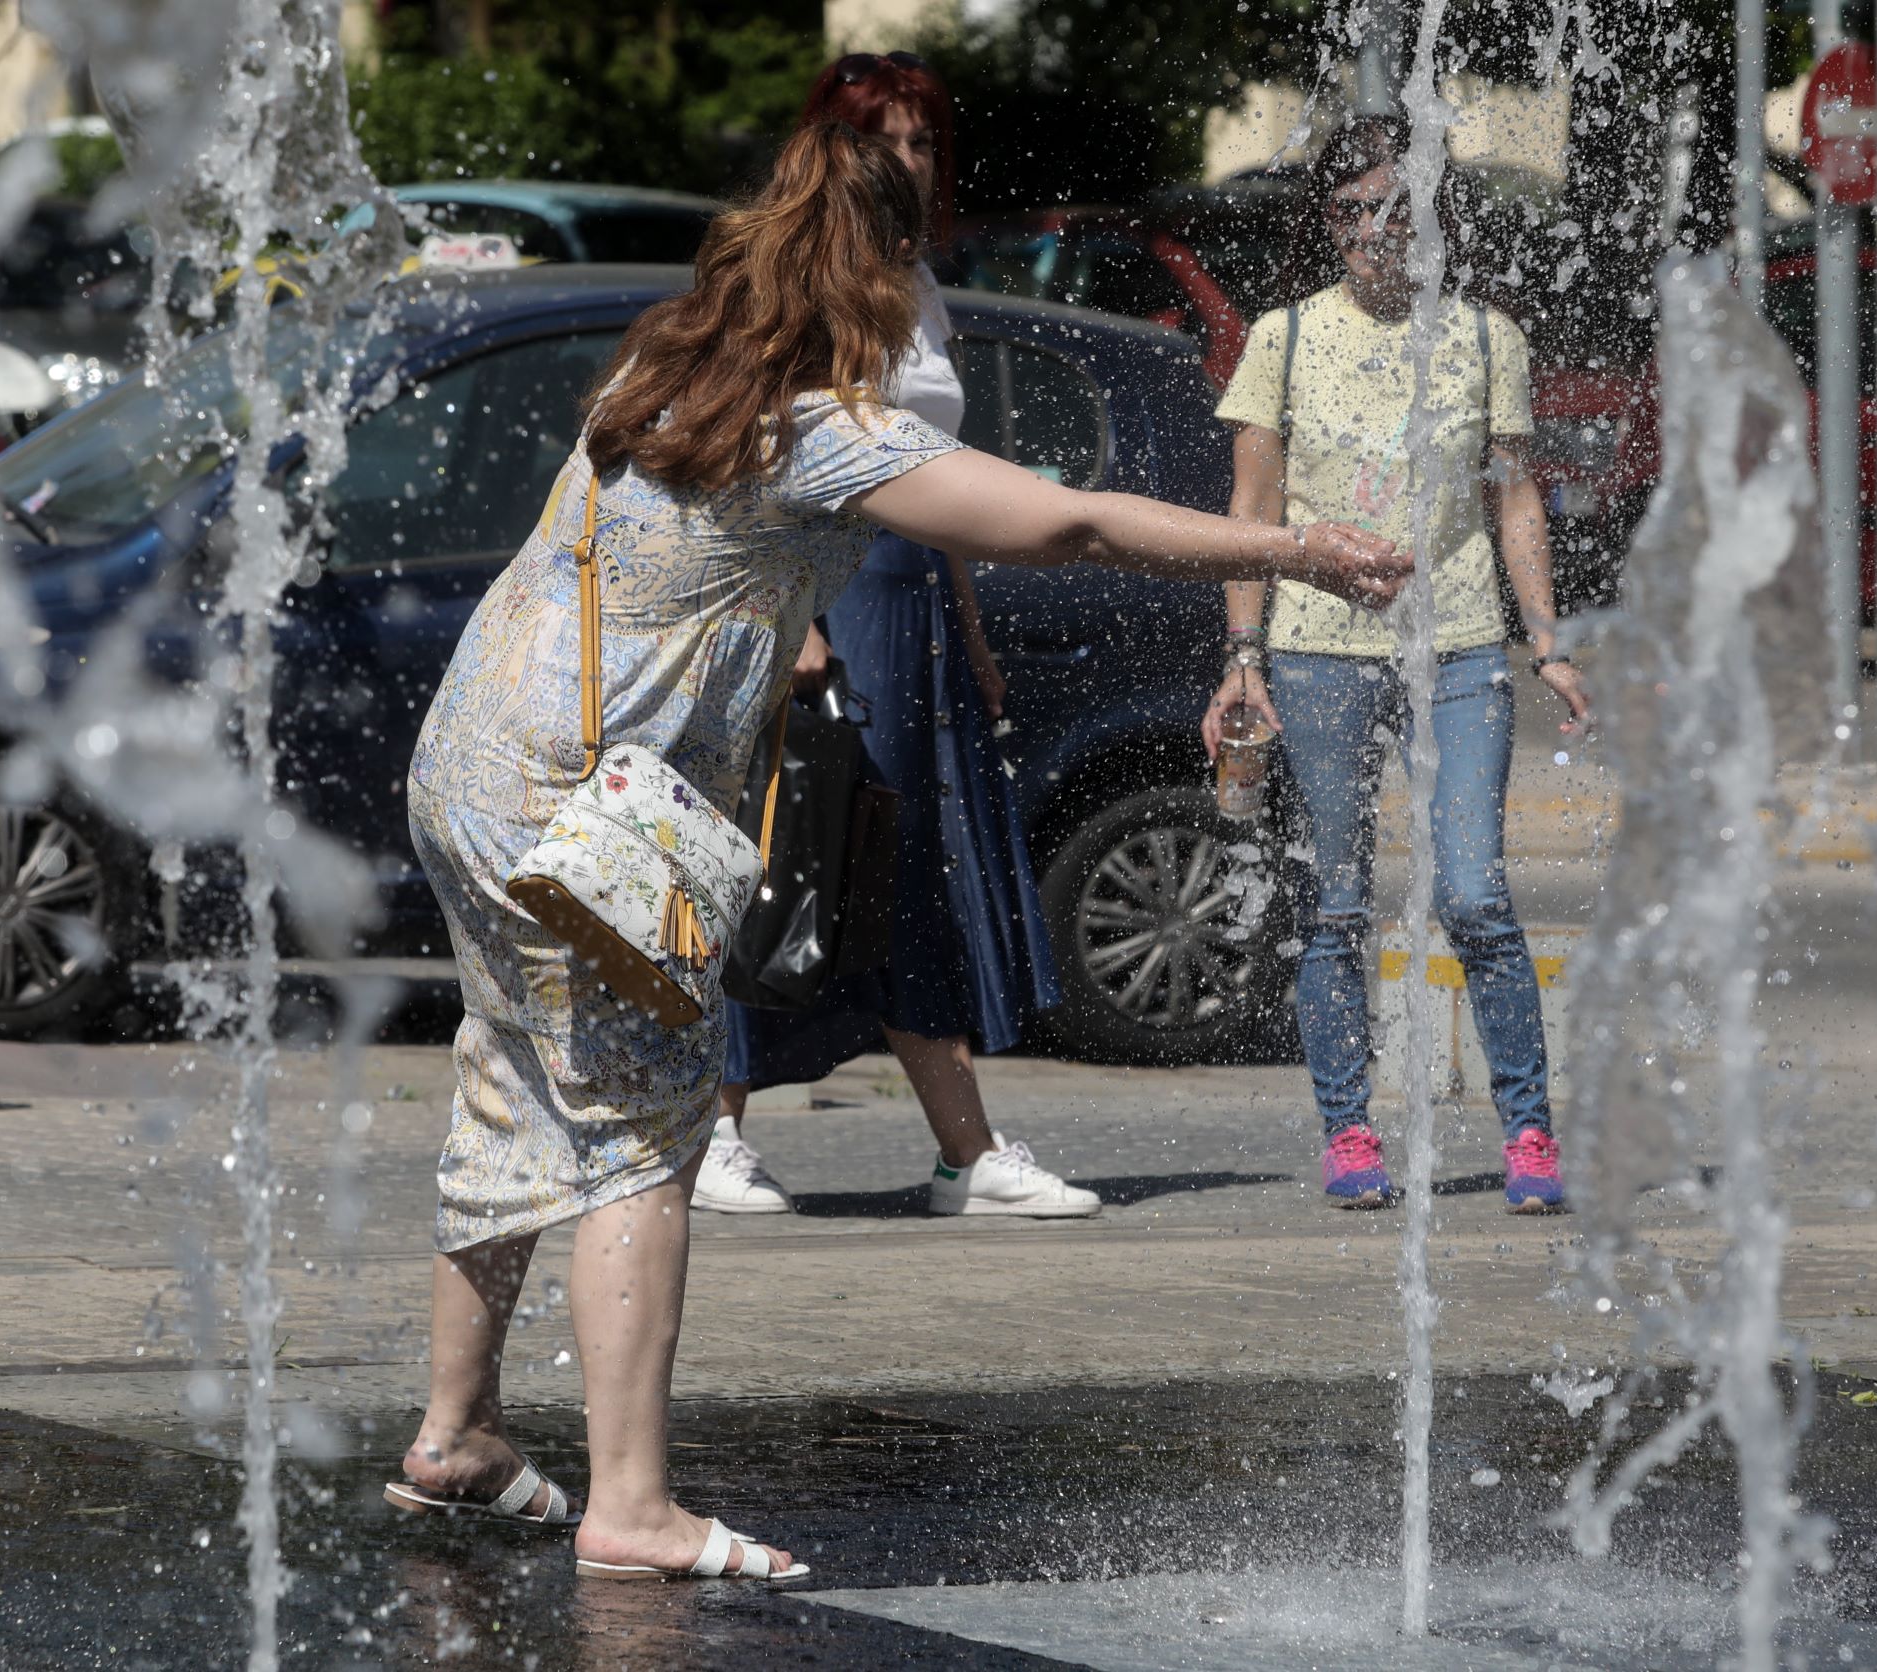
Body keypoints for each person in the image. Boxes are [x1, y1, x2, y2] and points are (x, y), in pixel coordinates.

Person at [391, 122, 1405, 1582]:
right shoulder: (818, 434)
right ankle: (632, 1506)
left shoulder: (658, 370)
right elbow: (1062, 521)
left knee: (517, 1081)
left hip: (475, 756)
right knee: (640, 1128)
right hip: (584, 801)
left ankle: (457, 1436)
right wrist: (1291, 550)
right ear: (870, 279)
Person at [694, 51, 1093, 1222]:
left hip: (914, 600)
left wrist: (964, 623)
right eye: (889, 142)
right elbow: (761, 457)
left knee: (909, 867)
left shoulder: (921, 287)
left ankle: (965, 1152)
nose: (911, 164)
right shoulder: (808, 283)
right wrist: (798, 623)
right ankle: (713, 1125)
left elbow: (944, 477)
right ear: (839, 148)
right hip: (833, 588)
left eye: (926, 144)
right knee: (795, 850)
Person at [1200, 115, 1584, 1215]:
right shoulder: (1283, 337)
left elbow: (1514, 502)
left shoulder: (1486, 336)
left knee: (1475, 895)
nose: (1374, 232)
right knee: (1334, 905)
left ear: (1432, 216)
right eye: (1351, 211)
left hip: (1459, 644)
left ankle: (1528, 1135)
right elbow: (1252, 514)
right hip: (1318, 655)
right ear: (1326, 223)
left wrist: (1546, 637)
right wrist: (1243, 655)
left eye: (1394, 209)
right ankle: (1350, 1128)